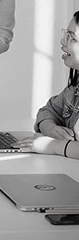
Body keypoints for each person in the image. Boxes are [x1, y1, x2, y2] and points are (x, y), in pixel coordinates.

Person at [13, 12, 79, 159]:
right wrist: (51, 128)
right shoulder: (74, 88)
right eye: (66, 35)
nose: (63, 42)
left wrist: (54, 146)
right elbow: (48, 111)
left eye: (72, 38)